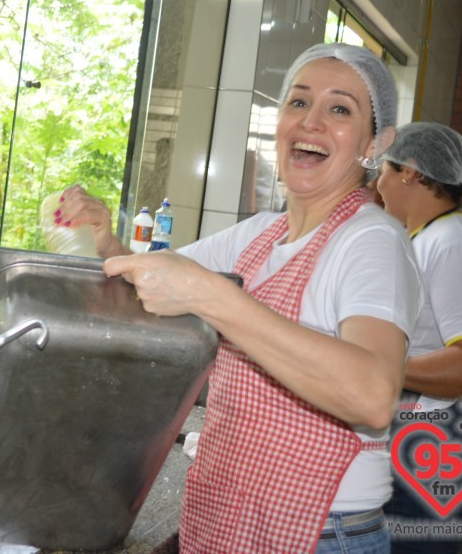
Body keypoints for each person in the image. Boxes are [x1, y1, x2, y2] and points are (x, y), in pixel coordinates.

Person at [55, 43, 423, 553]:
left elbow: (373, 395)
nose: (311, 122)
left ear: (376, 142)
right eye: (298, 102)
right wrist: (104, 239)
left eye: (340, 109)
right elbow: (155, 290)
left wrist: (212, 295)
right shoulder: (258, 235)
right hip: (234, 515)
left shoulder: (372, 241)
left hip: (321, 532)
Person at [375, 121, 462, 553]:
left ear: (409, 173)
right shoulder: (424, 238)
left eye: (382, 170)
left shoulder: (457, 242)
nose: (377, 184)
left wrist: (377, 372)